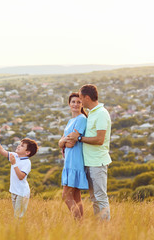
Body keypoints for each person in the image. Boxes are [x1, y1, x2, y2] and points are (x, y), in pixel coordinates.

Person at [67, 84, 112, 220]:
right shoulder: (92, 113)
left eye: (81, 98)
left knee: (100, 197)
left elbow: (99, 139)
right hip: (89, 162)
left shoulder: (101, 113)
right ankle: (99, 226)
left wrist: (79, 138)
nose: (80, 102)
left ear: (87, 97)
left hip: (98, 162)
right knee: (94, 198)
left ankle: (105, 228)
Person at [0, 129, 38, 218]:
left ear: (27, 152)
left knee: (18, 217)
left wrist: (14, 164)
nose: (18, 146)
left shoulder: (27, 162)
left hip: (22, 192)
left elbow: (21, 176)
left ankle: (19, 231)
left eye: (22, 146)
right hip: (14, 191)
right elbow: (2, 151)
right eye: (19, 144)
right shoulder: (15, 155)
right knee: (16, 215)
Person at [58, 92, 88, 219]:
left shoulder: (81, 119)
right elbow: (63, 141)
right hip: (69, 160)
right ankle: (81, 226)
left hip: (75, 160)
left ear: (82, 104)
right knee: (76, 196)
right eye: (73, 102)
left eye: (78, 102)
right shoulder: (71, 120)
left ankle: (79, 223)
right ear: (69, 104)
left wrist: (63, 142)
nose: (75, 104)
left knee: (66, 196)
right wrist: (62, 142)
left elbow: (70, 143)